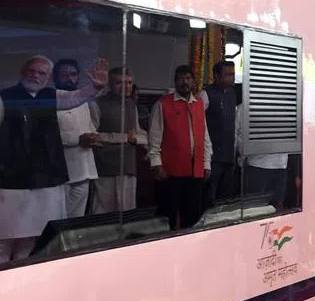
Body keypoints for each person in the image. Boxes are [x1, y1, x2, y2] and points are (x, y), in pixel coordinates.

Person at [0, 56, 107, 264]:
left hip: (45, 180)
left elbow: (75, 97)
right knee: (3, 242)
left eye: (41, 73)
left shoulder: (50, 96)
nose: (35, 76)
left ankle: (24, 278)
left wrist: (95, 88)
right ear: (23, 71)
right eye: (32, 71)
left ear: (47, 78)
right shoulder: (2, 98)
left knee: (31, 240)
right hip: (10, 181)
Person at [148, 65, 211, 229]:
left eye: (188, 78)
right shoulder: (163, 104)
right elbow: (154, 137)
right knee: (167, 214)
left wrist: (206, 163)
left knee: (192, 215)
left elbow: (205, 137)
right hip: (170, 170)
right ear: (175, 81)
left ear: (193, 81)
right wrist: (156, 164)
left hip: (195, 169)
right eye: (181, 78)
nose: (185, 82)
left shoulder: (198, 104)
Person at [90, 67, 146, 214]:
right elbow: (92, 136)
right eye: (120, 82)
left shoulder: (132, 104)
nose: (125, 87)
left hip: (127, 167)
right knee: (103, 213)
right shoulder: (97, 103)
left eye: (129, 83)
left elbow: (137, 133)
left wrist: (141, 140)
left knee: (126, 212)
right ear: (110, 84)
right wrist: (124, 137)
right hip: (105, 167)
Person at [54, 58, 99, 218]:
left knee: (77, 220)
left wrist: (93, 137)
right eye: (64, 74)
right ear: (55, 78)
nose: (69, 78)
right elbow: (46, 137)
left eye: (73, 74)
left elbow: (90, 127)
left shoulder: (83, 102)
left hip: (84, 170)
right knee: (58, 218)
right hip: (61, 174)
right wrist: (77, 140)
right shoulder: (50, 101)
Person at [202, 60, 239, 207]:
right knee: (209, 200)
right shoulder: (206, 94)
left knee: (225, 201)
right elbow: (198, 125)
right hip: (212, 158)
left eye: (233, 74)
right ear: (216, 76)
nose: (232, 78)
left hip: (229, 157)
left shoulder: (232, 93)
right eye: (228, 75)